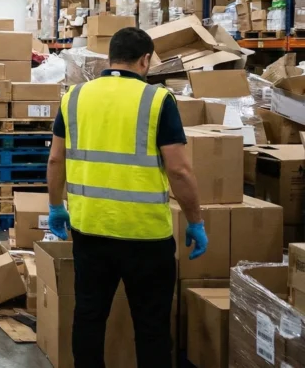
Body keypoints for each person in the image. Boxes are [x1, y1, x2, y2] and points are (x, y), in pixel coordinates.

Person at [46, 26, 206, 368]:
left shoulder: (74, 97)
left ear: (111, 58)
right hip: (145, 235)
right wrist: (195, 221)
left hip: (89, 229)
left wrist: (56, 206)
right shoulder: (157, 100)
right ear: (145, 60)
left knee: (89, 317)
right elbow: (179, 170)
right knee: (151, 326)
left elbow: (56, 159)